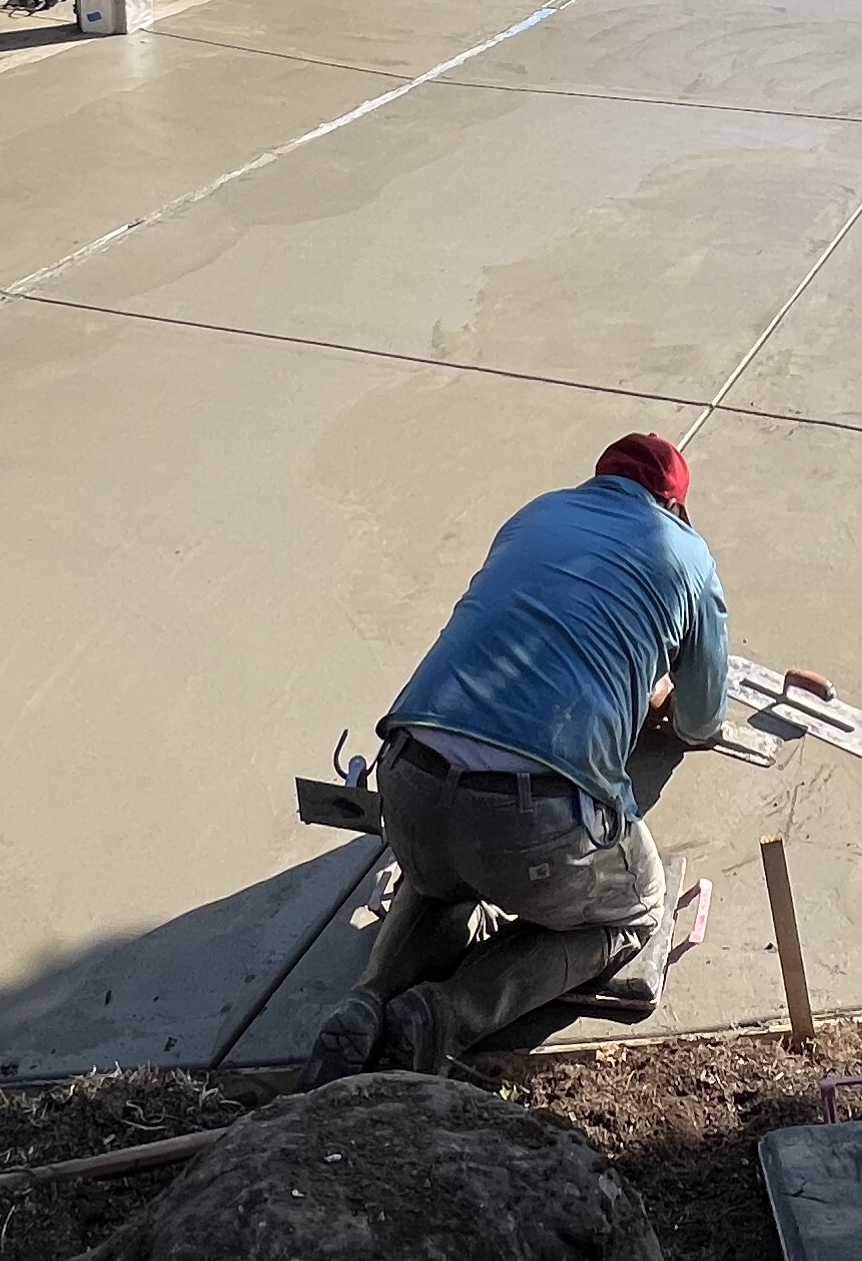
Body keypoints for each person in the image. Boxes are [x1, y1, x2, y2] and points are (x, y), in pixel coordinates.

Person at [304, 431, 728, 1083]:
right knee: (637, 908)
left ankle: (365, 1001)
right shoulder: (688, 555)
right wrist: (660, 695)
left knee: (441, 881)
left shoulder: (536, 513)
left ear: (600, 481)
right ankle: (445, 1014)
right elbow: (702, 719)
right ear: (675, 506)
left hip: (410, 774)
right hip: (534, 818)